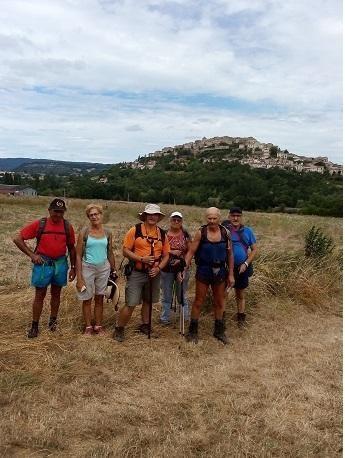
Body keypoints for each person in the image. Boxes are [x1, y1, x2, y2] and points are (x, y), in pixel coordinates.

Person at [13, 198, 76, 338]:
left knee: (56, 294)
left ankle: (52, 323)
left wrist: (73, 267)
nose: (58, 215)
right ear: (49, 210)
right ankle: (34, 326)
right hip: (43, 264)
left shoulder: (67, 226)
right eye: (55, 211)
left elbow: (71, 248)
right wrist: (31, 254)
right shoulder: (40, 224)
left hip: (60, 264)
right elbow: (17, 238)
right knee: (39, 295)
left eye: (61, 212)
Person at [113, 204, 170, 342]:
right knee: (131, 303)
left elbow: (166, 255)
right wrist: (141, 259)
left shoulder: (162, 234)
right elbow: (125, 250)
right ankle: (119, 328)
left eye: (155, 214)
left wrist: (158, 268)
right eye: (149, 214)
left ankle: (145, 325)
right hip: (137, 272)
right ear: (144, 216)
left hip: (154, 273)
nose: (152, 217)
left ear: (158, 217)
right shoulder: (135, 230)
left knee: (148, 301)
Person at [184, 207, 234, 344]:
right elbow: (191, 252)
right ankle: (192, 332)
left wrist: (231, 275)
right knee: (198, 301)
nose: (212, 221)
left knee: (219, 302)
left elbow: (230, 255)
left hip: (220, 271)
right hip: (204, 270)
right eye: (209, 218)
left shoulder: (226, 233)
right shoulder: (201, 233)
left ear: (219, 218)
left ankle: (219, 332)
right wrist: (184, 267)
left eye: (214, 218)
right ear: (206, 218)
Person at [75, 204, 116, 335]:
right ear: (88, 217)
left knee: (99, 298)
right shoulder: (84, 233)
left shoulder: (108, 232)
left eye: (96, 214)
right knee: (87, 298)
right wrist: (79, 278)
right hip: (87, 267)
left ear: (101, 215)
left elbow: (110, 252)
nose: (94, 217)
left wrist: (113, 270)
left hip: (103, 268)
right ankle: (88, 327)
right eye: (91, 215)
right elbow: (78, 255)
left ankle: (98, 325)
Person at [222, 207, 257, 327]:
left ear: (241, 217)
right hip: (227, 267)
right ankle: (221, 319)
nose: (235, 218)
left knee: (240, 294)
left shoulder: (248, 231)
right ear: (229, 216)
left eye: (238, 216)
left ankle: (241, 319)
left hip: (242, 268)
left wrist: (246, 263)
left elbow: (254, 250)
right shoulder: (224, 231)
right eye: (233, 215)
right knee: (224, 293)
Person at [160, 211, 191, 325]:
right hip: (166, 268)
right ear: (170, 220)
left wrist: (184, 266)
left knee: (181, 294)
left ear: (181, 221)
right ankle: (165, 318)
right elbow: (159, 250)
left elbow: (190, 251)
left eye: (178, 220)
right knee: (166, 294)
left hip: (182, 268)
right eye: (174, 219)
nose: (176, 222)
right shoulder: (163, 234)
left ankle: (185, 318)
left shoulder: (186, 235)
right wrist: (171, 251)